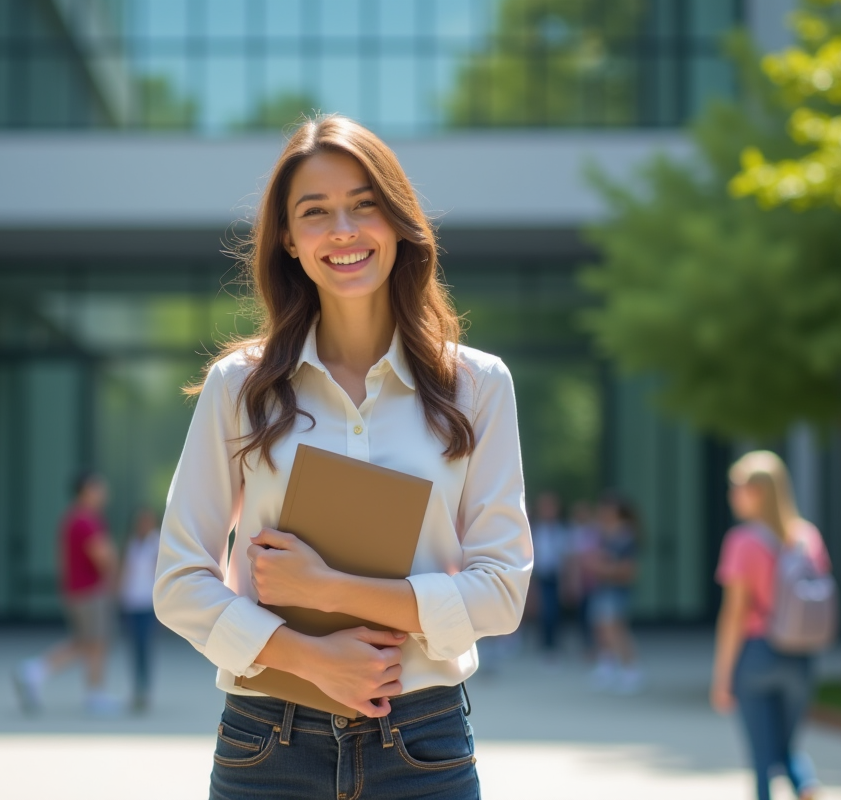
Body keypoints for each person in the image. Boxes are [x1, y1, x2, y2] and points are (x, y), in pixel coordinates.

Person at [153, 114, 531, 800]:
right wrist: (310, 657)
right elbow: (179, 582)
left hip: (423, 747)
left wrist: (327, 589)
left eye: (365, 206)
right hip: (267, 745)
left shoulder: (479, 387)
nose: (344, 231)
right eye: (316, 212)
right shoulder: (239, 387)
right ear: (290, 243)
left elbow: (504, 591)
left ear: (399, 223)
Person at [712, 451, 830, 800]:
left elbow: (734, 615)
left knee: (762, 758)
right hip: (802, 656)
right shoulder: (808, 538)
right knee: (786, 746)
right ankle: (805, 785)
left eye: (738, 486)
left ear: (758, 491)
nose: (732, 494)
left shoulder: (743, 541)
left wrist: (722, 677)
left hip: (757, 653)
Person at [13, 471, 119, 716]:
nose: (103, 492)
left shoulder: (72, 518)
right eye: (98, 487)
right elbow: (103, 556)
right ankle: (94, 694)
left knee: (84, 642)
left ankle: (34, 672)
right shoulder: (87, 520)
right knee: (95, 643)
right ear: (86, 490)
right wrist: (115, 576)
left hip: (77, 591)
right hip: (91, 592)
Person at [587, 493, 642, 692]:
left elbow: (628, 569)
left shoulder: (625, 535)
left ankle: (631, 671)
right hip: (603, 587)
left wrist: (603, 568)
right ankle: (607, 667)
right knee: (601, 629)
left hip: (617, 589)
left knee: (616, 630)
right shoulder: (602, 533)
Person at [118, 507, 161, 713]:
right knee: (134, 648)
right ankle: (136, 689)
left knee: (144, 647)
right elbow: (126, 570)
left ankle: (144, 690)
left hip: (147, 603)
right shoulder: (132, 542)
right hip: (131, 601)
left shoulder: (156, 542)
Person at [531, 492, 570, 658]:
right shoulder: (534, 529)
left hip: (556, 575)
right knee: (543, 610)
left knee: (553, 610)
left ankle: (553, 644)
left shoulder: (562, 530)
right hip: (540, 576)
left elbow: (567, 557)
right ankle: (545, 644)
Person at [565, 499, 599, 659]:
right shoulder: (573, 533)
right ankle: (588, 647)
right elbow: (572, 561)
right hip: (582, 583)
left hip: (597, 583)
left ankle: (596, 649)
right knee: (584, 617)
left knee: (597, 618)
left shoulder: (596, 531)